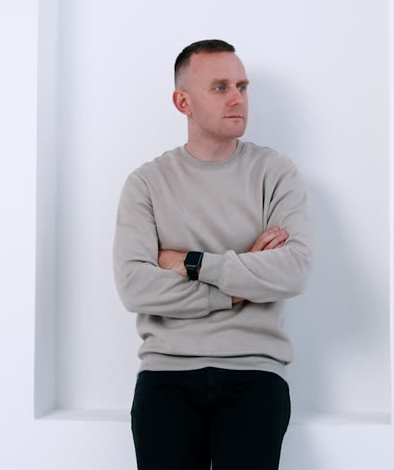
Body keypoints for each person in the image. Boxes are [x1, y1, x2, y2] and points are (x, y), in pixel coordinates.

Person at [114, 39, 313, 470]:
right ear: (182, 101)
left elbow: (293, 271)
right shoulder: (146, 183)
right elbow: (135, 287)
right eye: (220, 87)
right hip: (166, 376)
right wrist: (240, 287)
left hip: (255, 374)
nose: (237, 97)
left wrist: (189, 262)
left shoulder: (275, 173)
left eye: (242, 86)